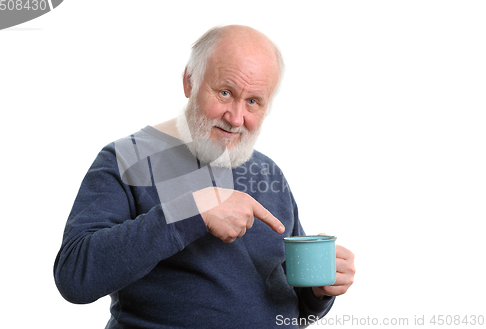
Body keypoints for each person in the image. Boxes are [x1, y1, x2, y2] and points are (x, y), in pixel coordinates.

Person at [54, 25, 355, 329]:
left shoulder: (269, 173)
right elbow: (74, 277)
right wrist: (192, 211)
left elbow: (290, 308)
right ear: (189, 81)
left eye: (253, 101)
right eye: (225, 92)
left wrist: (317, 292)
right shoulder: (126, 160)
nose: (236, 118)